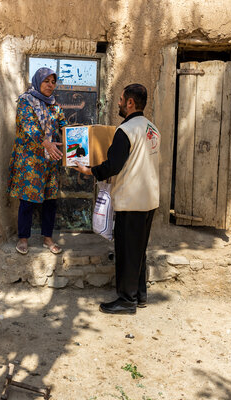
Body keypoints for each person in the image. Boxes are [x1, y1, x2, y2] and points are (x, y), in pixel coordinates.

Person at [74, 84, 160, 315]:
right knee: (138, 250)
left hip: (131, 201)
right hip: (149, 199)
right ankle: (139, 295)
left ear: (130, 103)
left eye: (121, 100)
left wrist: (90, 171)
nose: (119, 104)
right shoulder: (151, 128)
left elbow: (113, 165)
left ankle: (126, 300)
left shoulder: (126, 130)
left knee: (126, 251)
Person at [7, 67, 67, 255]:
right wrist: (46, 143)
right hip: (30, 161)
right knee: (27, 200)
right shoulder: (26, 102)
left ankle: (47, 238)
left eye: (53, 82)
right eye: (46, 81)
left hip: (50, 161)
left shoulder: (54, 105)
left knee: (50, 200)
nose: (50, 85)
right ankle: (23, 238)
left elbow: (64, 125)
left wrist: (78, 140)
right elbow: (29, 128)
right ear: (37, 81)